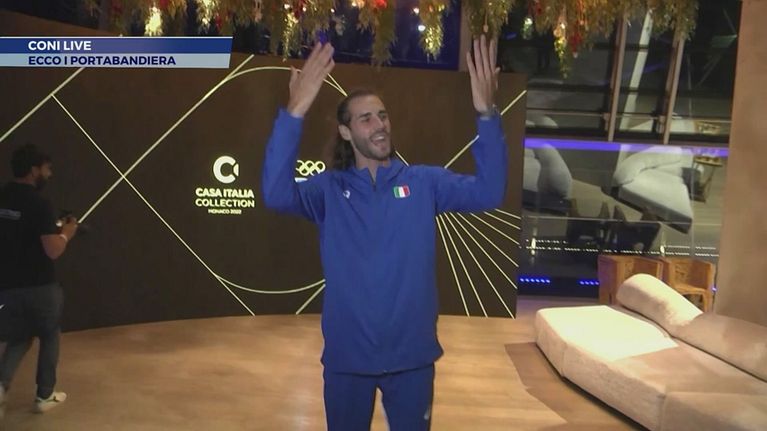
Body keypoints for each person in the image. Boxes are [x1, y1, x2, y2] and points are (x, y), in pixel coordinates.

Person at [261, 35, 508, 430]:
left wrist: (487, 114)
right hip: (347, 360)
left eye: (382, 115)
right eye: (366, 119)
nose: (379, 125)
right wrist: (294, 112)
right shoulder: (329, 190)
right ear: (346, 132)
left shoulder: (423, 183)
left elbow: (489, 191)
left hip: (411, 360)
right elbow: (275, 194)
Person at [0, 144, 77, 417]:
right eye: (47, 169)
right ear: (34, 170)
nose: (49, 174)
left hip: (6, 286)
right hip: (39, 286)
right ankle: (44, 395)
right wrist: (67, 233)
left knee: (19, 336)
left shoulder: (3, 196)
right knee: (49, 333)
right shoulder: (39, 203)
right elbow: (52, 250)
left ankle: (0, 387)